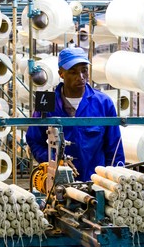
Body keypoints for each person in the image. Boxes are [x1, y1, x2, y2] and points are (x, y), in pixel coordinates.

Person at [26, 47, 125, 182]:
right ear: (61, 74)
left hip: (95, 181)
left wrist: (114, 182)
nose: (81, 77)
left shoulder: (103, 103)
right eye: (73, 72)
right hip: (59, 181)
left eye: (84, 71)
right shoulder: (47, 104)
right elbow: (34, 141)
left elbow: (115, 148)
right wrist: (56, 160)